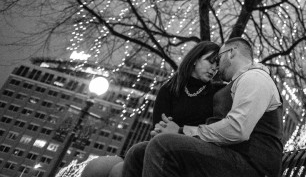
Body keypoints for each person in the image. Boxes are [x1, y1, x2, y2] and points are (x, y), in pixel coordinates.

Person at [121, 37, 284, 177]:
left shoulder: (254, 78)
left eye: (219, 59)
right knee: (138, 152)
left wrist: (181, 131)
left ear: (231, 53)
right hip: (229, 155)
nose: (217, 67)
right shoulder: (237, 83)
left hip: (252, 166)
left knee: (162, 145)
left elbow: (237, 129)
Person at [82, 41, 221, 177]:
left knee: (118, 172)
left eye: (218, 64)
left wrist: (178, 130)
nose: (214, 68)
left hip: (186, 152)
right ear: (195, 59)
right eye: (211, 61)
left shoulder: (217, 93)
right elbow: (159, 128)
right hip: (155, 146)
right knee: (95, 167)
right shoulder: (170, 89)